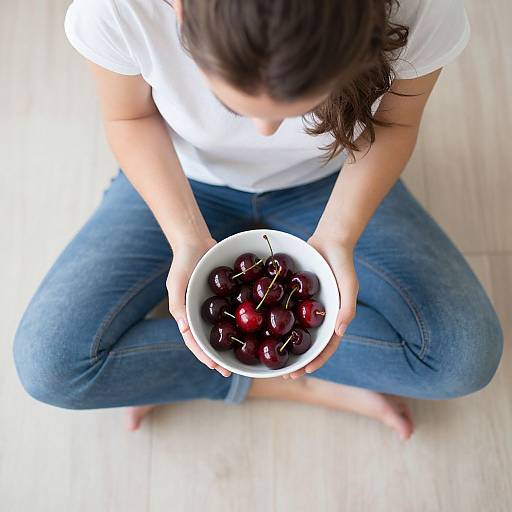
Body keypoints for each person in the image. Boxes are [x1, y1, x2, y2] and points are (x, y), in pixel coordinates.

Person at [13, 0, 503, 440]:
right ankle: (287, 384)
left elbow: (394, 123)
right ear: (181, 13)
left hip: (332, 183)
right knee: (50, 366)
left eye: (304, 107)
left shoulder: (422, 10)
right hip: (185, 182)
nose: (265, 133)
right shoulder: (118, 9)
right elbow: (130, 119)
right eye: (232, 105)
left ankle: (207, 374)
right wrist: (185, 236)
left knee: (462, 359)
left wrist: (339, 233)